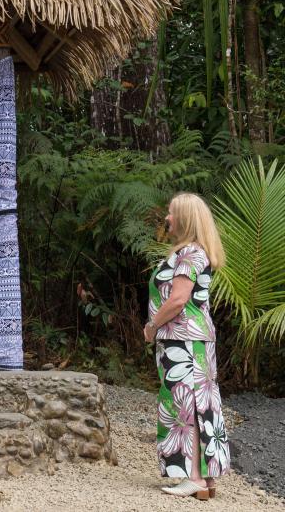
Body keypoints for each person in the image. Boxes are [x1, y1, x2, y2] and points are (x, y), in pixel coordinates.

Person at [143, 192, 230, 499]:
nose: (167, 218)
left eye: (171, 213)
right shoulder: (194, 251)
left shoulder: (190, 253)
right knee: (199, 403)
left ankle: (193, 476)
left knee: (186, 404)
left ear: (186, 219)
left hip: (183, 339)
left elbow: (179, 298)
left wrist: (153, 326)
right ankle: (204, 479)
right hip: (193, 339)